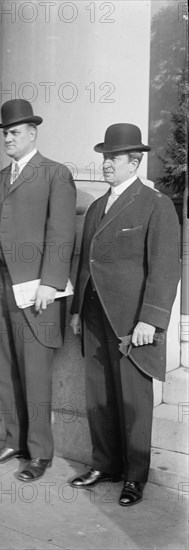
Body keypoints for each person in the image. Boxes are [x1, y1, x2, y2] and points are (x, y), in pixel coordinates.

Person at [69, 123, 181, 506]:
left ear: (134, 162)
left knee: (134, 399)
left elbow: (165, 267)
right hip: (94, 315)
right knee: (98, 394)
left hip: (132, 321)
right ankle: (105, 464)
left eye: (113, 158)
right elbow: (86, 263)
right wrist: (76, 310)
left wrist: (150, 319)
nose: (105, 164)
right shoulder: (98, 206)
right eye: (104, 157)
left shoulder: (156, 204)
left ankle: (135, 477)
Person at [0, 99, 76, 481]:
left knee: (34, 369)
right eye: (5, 132)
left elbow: (62, 232)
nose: (8, 138)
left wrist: (51, 282)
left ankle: (40, 453)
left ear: (32, 134)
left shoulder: (54, 173)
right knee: (4, 362)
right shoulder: (2, 177)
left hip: (33, 285)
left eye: (14, 132)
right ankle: (13, 440)